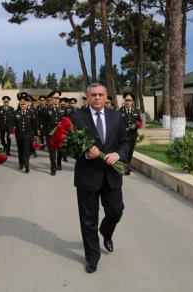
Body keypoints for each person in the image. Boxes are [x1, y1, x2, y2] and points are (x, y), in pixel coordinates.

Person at [70, 83, 130, 273]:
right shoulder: (76, 117)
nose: (97, 98)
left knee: (116, 211)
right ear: (87, 97)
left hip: (111, 174)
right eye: (93, 95)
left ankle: (106, 232)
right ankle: (92, 257)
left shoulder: (116, 116)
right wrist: (86, 153)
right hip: (87, 176)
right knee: (88, 220)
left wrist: (117, 155)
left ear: (106, 97)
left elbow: (125, 142)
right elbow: (70, 147)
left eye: (100, 95)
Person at [10, 92, 38, 173]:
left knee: (26, 150)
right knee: (20, 150)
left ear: (27, 104)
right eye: (21, 104)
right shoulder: (15, 112)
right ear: (20, 104)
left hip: (27, 135)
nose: (22, 105)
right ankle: (21, 163)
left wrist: (35, 134)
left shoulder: (31, 112)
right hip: (19, 135)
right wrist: (11, 132)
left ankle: (26, 166)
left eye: (24, 104)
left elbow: (34, 124)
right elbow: (12, 123)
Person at [42, 89, 67, 175]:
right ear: (51, 99)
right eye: (54, 98)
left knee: (60, 151)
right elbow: (44, 123)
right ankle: (53, 168)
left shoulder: (64, 109)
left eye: (58, 98)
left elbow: (68, 121)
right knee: (52, 153)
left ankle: (59, 163)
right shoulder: (46, 110)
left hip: (61, 135)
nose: (56, 99)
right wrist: (44, 134)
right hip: (50, 135)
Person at [119, 92, 142, 175]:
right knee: (125, 151)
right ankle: (126, 167)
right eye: (126, 100)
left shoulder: (136, 111)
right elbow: (117, 123)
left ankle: (127, 165)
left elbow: (140, 122)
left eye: (129, 100)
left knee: (130, 151)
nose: (128, 102)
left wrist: (135, 126)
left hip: (133, 135)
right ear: (124, 101)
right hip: (123, 136)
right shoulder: (120, 111)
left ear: (132, 102)